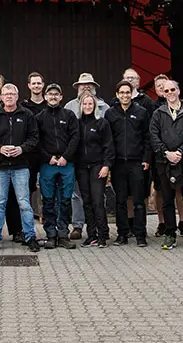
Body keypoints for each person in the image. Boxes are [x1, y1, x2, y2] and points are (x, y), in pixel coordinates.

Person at [149, 78, 183, 251]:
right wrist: (166, 153)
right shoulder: (158, 113)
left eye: (173, 89)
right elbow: (153, 136)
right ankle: (170, 233)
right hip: (164, 162)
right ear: (162, 93)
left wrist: (181, 152)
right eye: (166, 91)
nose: (170, 93)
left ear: (179, 91)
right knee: (167, 199)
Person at [0, 83, 41, 252]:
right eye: (6, 94)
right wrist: (0, 148)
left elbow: (34, 138)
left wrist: (21, 149)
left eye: (12, 94)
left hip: (21, 166)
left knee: (24, 203)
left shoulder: (27, 115)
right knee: (0, 203)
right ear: (1, 97)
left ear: (17, 96)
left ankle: (30, 236)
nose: (9, 96)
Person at [63, 72, 107, 239]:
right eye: (83, 84)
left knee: (97, 197)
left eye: (90, 84)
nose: (86, 87)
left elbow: (108, 137)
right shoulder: (69, 107)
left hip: (97, 162)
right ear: (77, 87)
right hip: (78, 161)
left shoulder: (104, 107)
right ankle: (78, 226)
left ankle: (100, 230)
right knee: (78, 195)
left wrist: (106, 163)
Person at [106, 80, 151, 245]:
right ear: (117, 95)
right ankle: (122, 234)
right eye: (121, 93)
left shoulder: (141, 112)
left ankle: (140, 235)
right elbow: (107, 140)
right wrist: (109, 162)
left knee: (139, 201)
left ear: (132, 94)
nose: (125, 95)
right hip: (118, 164)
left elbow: (147, 138)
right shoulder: (110, 114)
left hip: (137, 163)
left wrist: (146, 159)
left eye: (127, 92)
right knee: (120, 201)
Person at [37, 83, 80, 249]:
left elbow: (75, 137)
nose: (53, 96)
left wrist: (65, 157)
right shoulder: (40, 117)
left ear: (61, 96)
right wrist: (49, 158)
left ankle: (63, 234)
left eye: (56, 94)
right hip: (48, 164)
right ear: (45, 96)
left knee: (65, 199)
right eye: (50, 94)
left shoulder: (69, 115)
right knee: (48, 200)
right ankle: (51, 235)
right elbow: (36, 140)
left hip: (66, 164)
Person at [74, 92, 114, 247]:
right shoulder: (77, 123)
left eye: (90, 104)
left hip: (98, 166)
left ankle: (103, 234)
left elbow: (108, 146)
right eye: (85, 104)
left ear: (95, 105)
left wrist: (106, 165)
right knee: (87, 201)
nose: (87, 106)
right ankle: (92, 235)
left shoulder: (102, 123)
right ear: (81, 106)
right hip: (82, 168)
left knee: (97, 201)